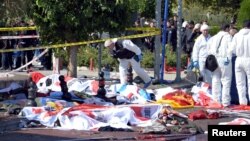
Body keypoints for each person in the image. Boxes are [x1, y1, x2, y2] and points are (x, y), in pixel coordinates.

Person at [208, 24, 232, 107]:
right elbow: (231, 49)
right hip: (224, 59)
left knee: (215, 79)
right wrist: (228, 59)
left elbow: (209, 49)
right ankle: (225, 102)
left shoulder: (214, 37)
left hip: (214, 60)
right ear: (226, 28)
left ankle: (216, 100)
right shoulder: (228, 36)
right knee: (226, 80)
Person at [229, 20, 250, 105]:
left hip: (238, 60)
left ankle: (242, 102)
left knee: (240, 83)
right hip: (248, 59)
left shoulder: (237, 35)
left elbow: (231, 49)